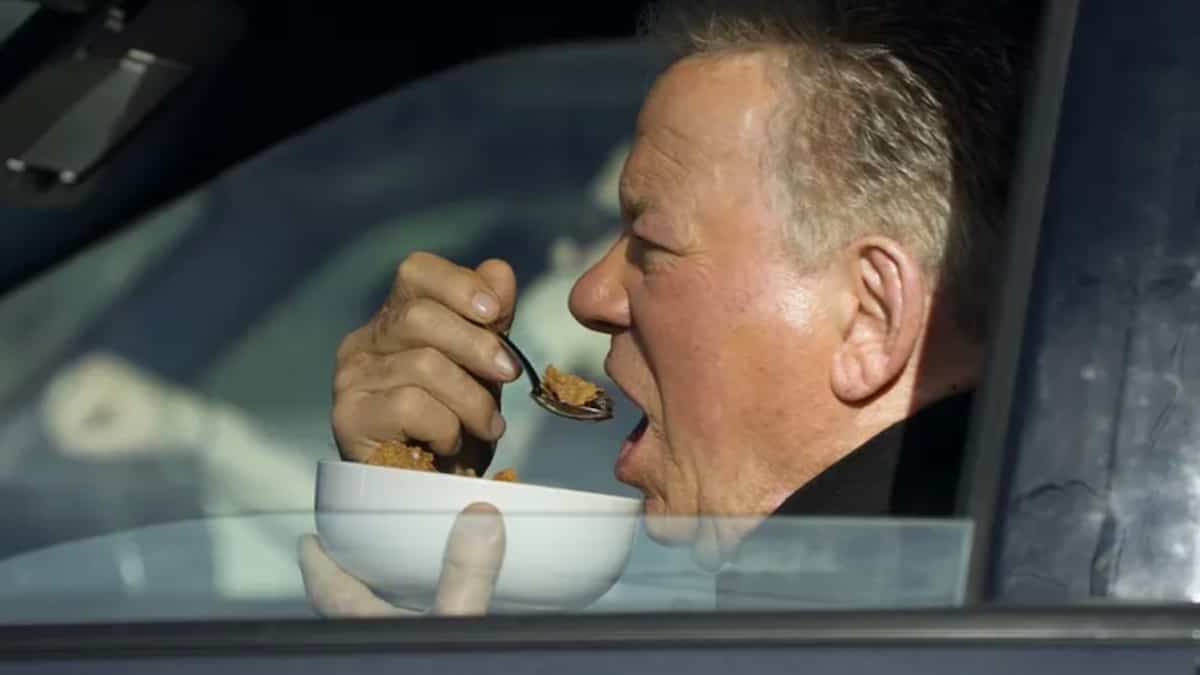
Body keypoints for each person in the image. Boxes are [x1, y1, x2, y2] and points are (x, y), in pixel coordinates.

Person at [299, 0, 1036, 615]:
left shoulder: (902, 631)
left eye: (648, 242)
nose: (590, 295)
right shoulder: (990, 580)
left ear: (869, 316)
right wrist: (415, 527)